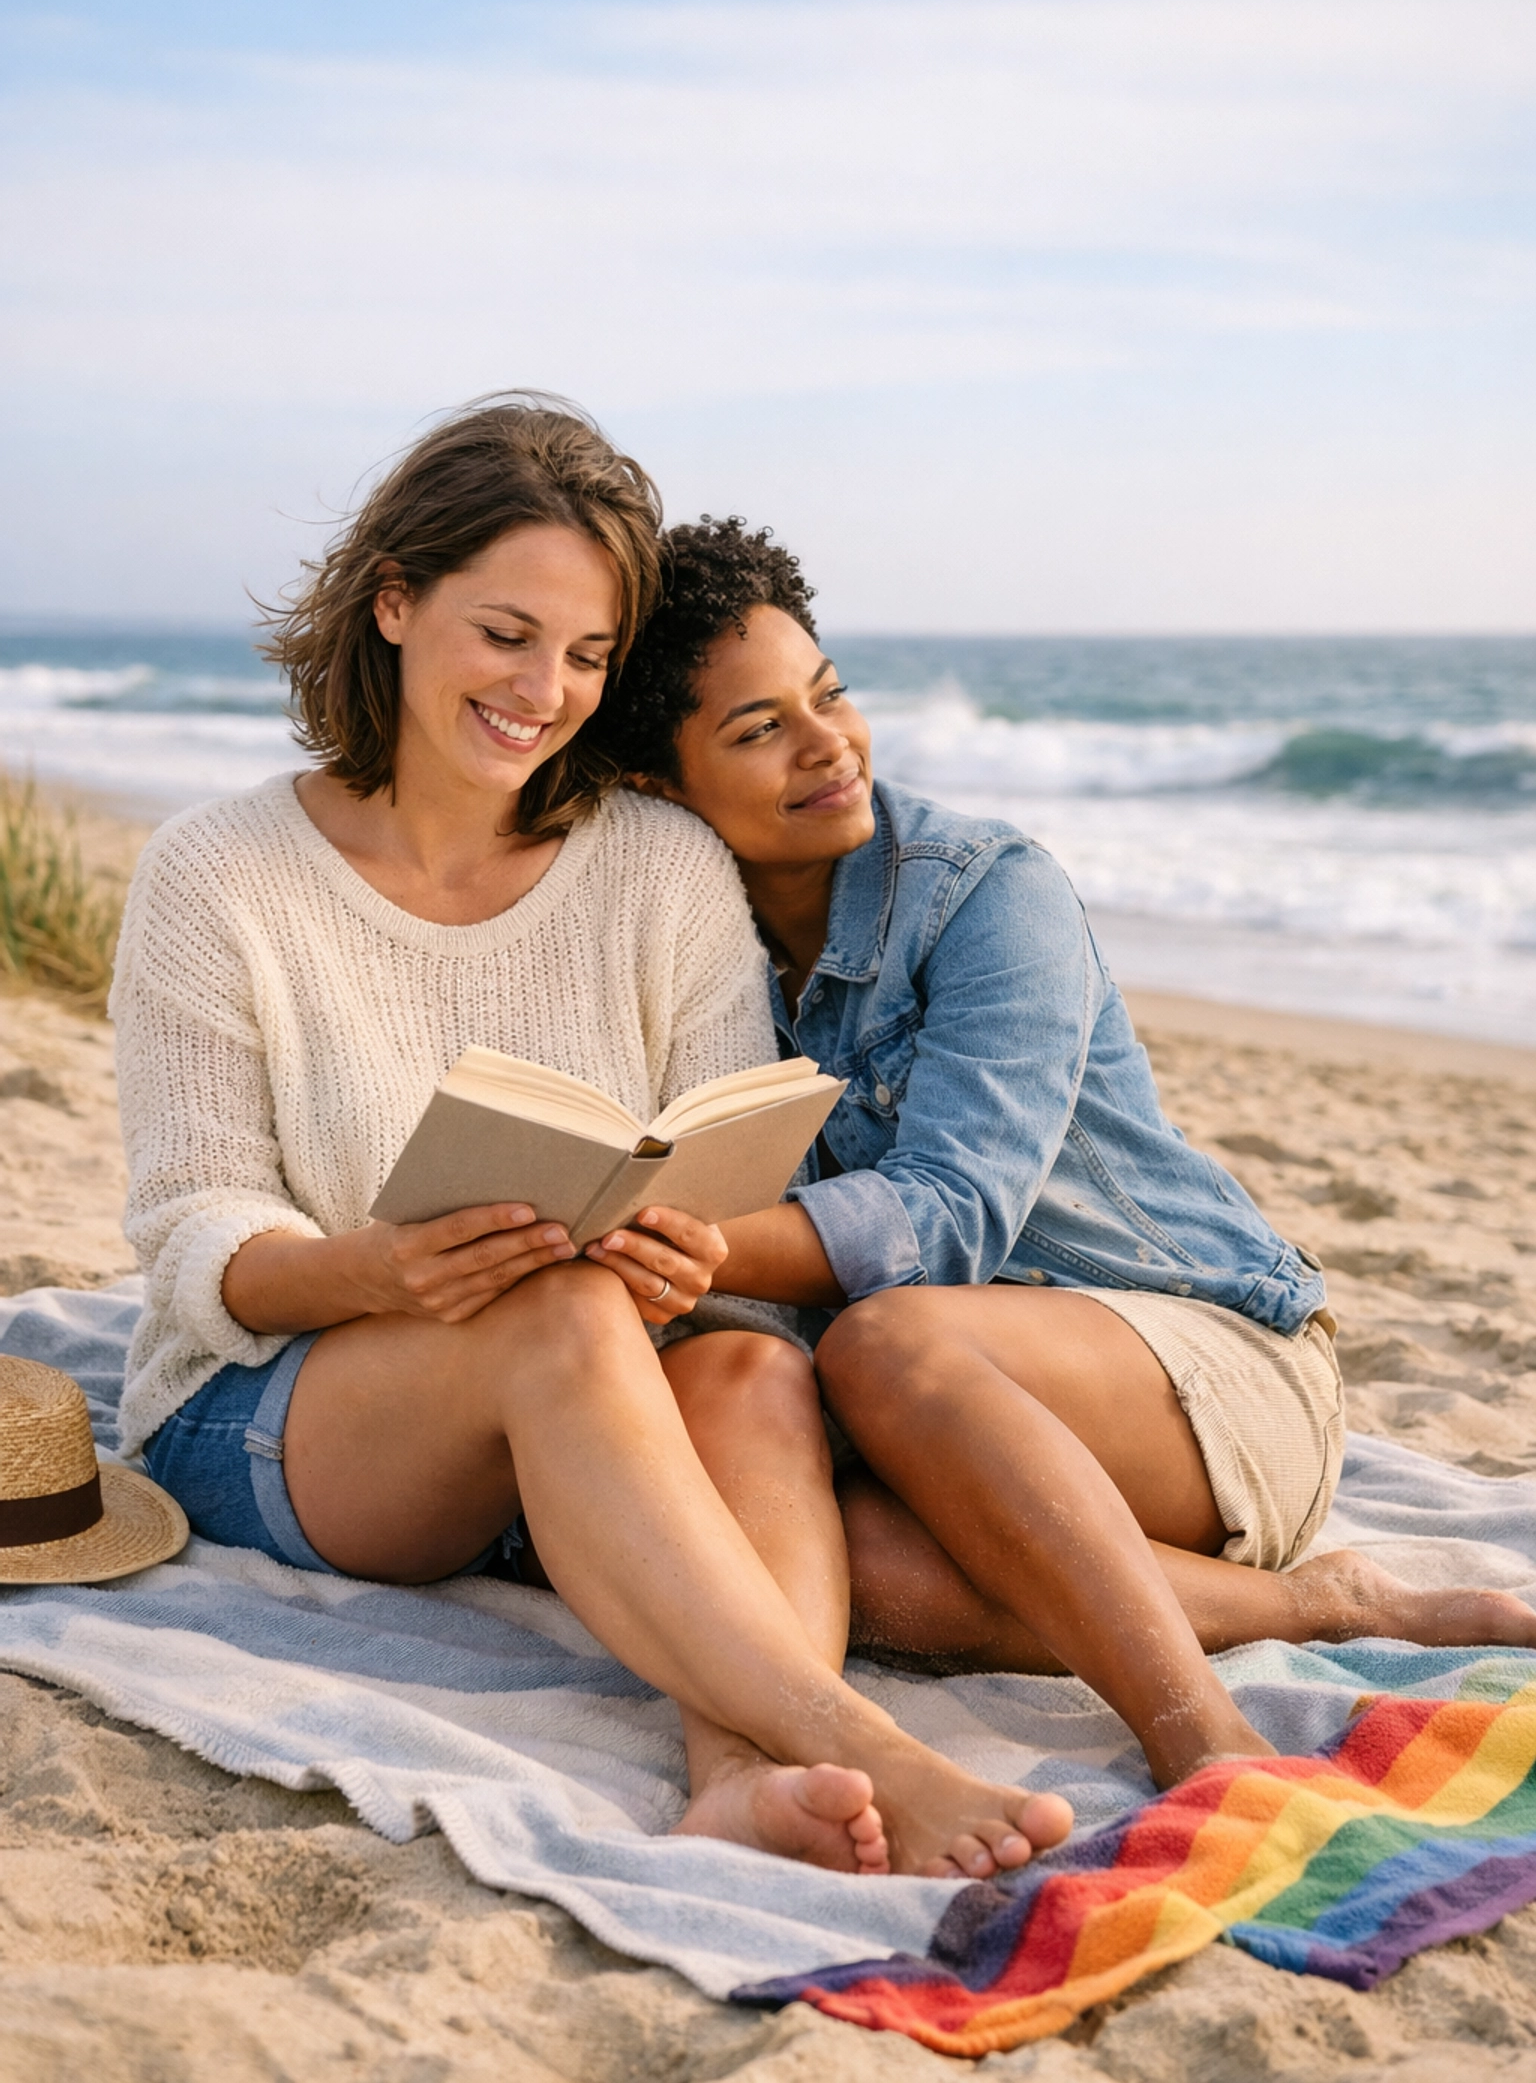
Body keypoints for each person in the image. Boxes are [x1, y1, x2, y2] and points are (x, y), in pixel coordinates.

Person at [112, 398, 1079, 1882]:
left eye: (587, 655)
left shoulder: (663, 865)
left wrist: (675, 1255)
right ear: (393, 602)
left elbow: (722, 1157)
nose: (543, 689)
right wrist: (376, 1272)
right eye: (506, 634)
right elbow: (193, 1237)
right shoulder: (218, 874)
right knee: (555, 1314)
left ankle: (731, 1780)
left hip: (582, 1383)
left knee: (754, 1362)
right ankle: (856, 1741)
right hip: (284, 1397)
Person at [596, 518, 1536, 1790]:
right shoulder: (690, 957)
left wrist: (672, 1243)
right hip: (962, 1434)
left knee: (891, 1335)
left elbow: (953, 1215)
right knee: (834, 1560)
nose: (829, 746)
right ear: (658, 786)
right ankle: (1320, 1607)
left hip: (1200, 1362)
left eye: (828, 697)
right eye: (758, 729)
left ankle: (1198, 1732)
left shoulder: (984, 888)